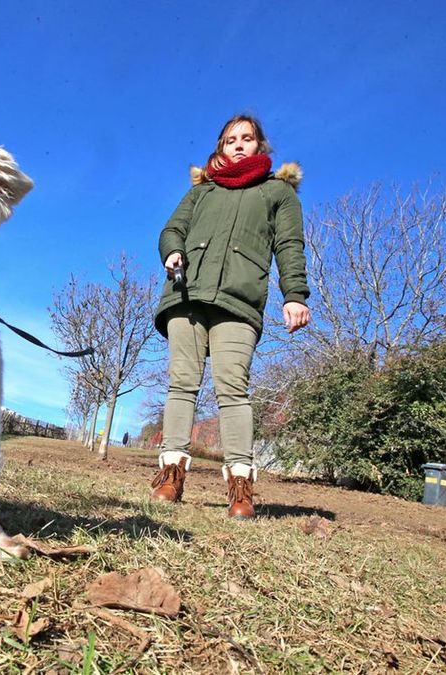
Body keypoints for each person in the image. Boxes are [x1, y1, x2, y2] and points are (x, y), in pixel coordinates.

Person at [149, 114, 310, 519]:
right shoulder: (203, 190)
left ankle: (240, 484)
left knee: (233, 388)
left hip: (239, 302)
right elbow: (172, 229)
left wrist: (295, 295)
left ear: (260, 146)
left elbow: (289, 245)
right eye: (230, 139)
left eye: (247, 138)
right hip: (187, 295)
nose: (238, 144)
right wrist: (172, 252)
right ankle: (171, 472)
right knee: (182, 383)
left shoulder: (278, 192)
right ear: (221, 146)